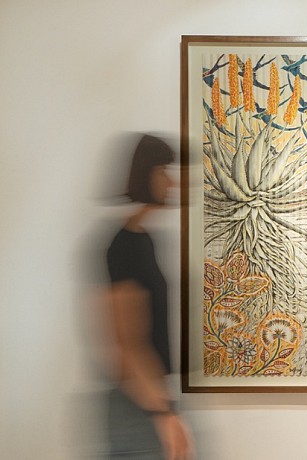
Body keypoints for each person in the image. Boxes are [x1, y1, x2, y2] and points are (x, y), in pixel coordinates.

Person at [104, 134, 193, 459]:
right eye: (163, 171)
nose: (171, 182)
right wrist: (164, 414)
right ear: (144, 175)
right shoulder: (124, 246)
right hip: (138, 405)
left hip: (151, 398)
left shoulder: (144, 239)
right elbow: (128, 344)